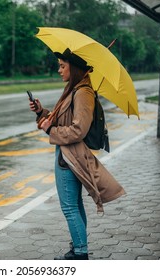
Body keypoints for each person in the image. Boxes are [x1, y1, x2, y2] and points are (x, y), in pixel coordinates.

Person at [29, 48, 125, 260]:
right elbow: (61, 120)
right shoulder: (73, 90)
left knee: (69, 206)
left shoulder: (83, 93)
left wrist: (50, 130)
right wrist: (40, 112)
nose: (59, 70)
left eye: (63, 66)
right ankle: (79, 247)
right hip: (67, 153)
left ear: (75, 69)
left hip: (70, 156)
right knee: (74, 204)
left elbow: (78, 129)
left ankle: (80, 253)